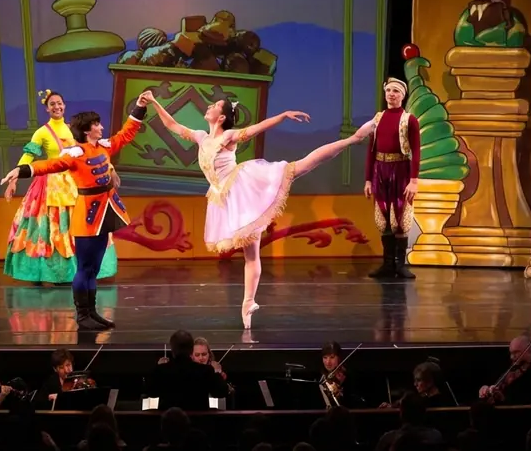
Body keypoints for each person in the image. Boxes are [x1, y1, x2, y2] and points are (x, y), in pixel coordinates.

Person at [145, 91, 373, 327]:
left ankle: (353, 138)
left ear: (221, 117)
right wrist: (154, 102)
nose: (209, 106)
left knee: (300, 167)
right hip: (226, 198)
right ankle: (248, 304)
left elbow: (255, 129)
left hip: (243, 188)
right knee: (251, 254)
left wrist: (282, 116)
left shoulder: (228, 136)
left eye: (214, 105)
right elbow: (172, 125)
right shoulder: (201, 137)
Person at [1, 94, 150, 330]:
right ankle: (82, 315)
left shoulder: (104, 146)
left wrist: (140, 106)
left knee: (94, 267)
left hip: (106, 212)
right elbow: (48, 165)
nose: (101, 127)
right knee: (85, 267)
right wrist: (20, 171)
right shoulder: (75, 155)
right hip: (88, 215)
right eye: (97, 124)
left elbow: (126, 134)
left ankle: (93, 312)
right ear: (88, 130)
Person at [3, 89, 118, 285]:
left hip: (74, 183)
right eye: (52, 104)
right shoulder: (42, 132)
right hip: (51, 185)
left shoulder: (73, 129)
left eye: (59, 103)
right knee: (51, 226)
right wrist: (14, 180)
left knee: (79, 224)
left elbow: (89, 152)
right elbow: (28, 156)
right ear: (47, 109)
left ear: (64, 106)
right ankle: (52, 272)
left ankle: (83, 268)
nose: (57, 107)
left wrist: (111, 170)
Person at [364, 78, 421, 280]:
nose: (391, 94)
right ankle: (387, 264)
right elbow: (371, 150)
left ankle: (400, 265)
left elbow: (416, 151)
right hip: (381, 171)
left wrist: (413, 181)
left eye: (395, 91)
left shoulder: (409, 120)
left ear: (402, 95)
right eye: (388, 90)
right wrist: (368, 179)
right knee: (383, 216)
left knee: (401, 215)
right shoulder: (378, 118)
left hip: (401, 170)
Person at [145, 330, 228, 410]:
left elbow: (151, 393)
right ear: (191, 350)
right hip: (198, 418)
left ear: (173, 349)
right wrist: (217, 372)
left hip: (169, 418)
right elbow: (221, 392)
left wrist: (158, 368)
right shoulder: (205, 371)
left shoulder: (162, 370)